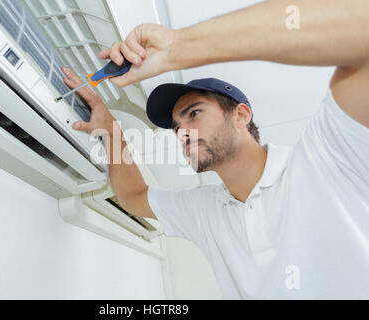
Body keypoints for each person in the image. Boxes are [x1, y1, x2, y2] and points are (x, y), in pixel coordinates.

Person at [61, 0, 369, 299]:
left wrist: (176, 48)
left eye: (194, 113)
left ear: (241, 115)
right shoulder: (205, 209)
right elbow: (133, 197)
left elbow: (361, 26)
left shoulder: (325, 159)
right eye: (177, 127)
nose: (182, 133)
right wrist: (112, 131)